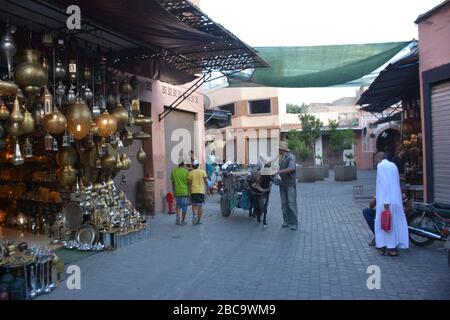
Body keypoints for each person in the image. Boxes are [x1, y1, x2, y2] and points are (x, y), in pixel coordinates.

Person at [374, 152, 409, 256]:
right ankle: (394, 246)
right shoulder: (393, 165)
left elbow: (384, 184)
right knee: (395, 223)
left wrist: (386, 203)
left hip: (387, 201)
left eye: (375, 159)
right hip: (396, 200)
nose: (375, 162)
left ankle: (391, 249)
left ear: (378, 158)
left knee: (387, 225)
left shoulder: (380, 166)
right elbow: (396, 182)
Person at [276, 140, 298, 231]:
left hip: (290, 184)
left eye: (279, 149)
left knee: (291, 203)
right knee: (284, 204)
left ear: (282, 149)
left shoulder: (290, 157)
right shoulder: (282, 157)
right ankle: (286, 221)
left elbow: (291, 168)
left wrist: (279, 172)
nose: (278, 151)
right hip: (282, 184)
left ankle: (294, 223)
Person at [188, 159, 208, 225]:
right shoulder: (202, 172)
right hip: (201, 191)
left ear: (193, 166)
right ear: (198, 165)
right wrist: (207, 189)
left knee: (194, 205)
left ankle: (194, 215)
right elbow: (206, 182)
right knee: (200, 206)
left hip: (193, 191)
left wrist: (189, 192)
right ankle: (199, 221)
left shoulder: (190, 173)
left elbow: (189, 184)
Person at [170, 157, 189, 226]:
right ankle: (183, 221)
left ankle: (177, 217)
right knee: (184, 207)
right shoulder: (186, 172)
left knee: (178, 205)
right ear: (183, 164)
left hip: (177, 192)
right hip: (184, 192)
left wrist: (173, 191)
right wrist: (189, 192)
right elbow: (188, 183)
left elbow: (173, 183)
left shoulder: (174, 172)